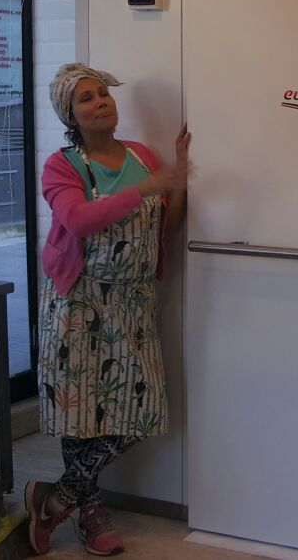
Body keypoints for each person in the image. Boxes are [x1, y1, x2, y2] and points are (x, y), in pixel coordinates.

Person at [25, 63, 190, 556]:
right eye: (87, 98)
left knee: (141, 413)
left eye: (103, 94)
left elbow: (165, 229)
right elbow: (76, 219)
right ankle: (90, 511)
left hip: (132, 304)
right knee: (80, 414)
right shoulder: (62, 165)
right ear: (70, 115)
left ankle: (56, 498)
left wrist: (177, 179)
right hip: (77, 303)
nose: (101, 101)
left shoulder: (142, 157)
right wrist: (150, 187)